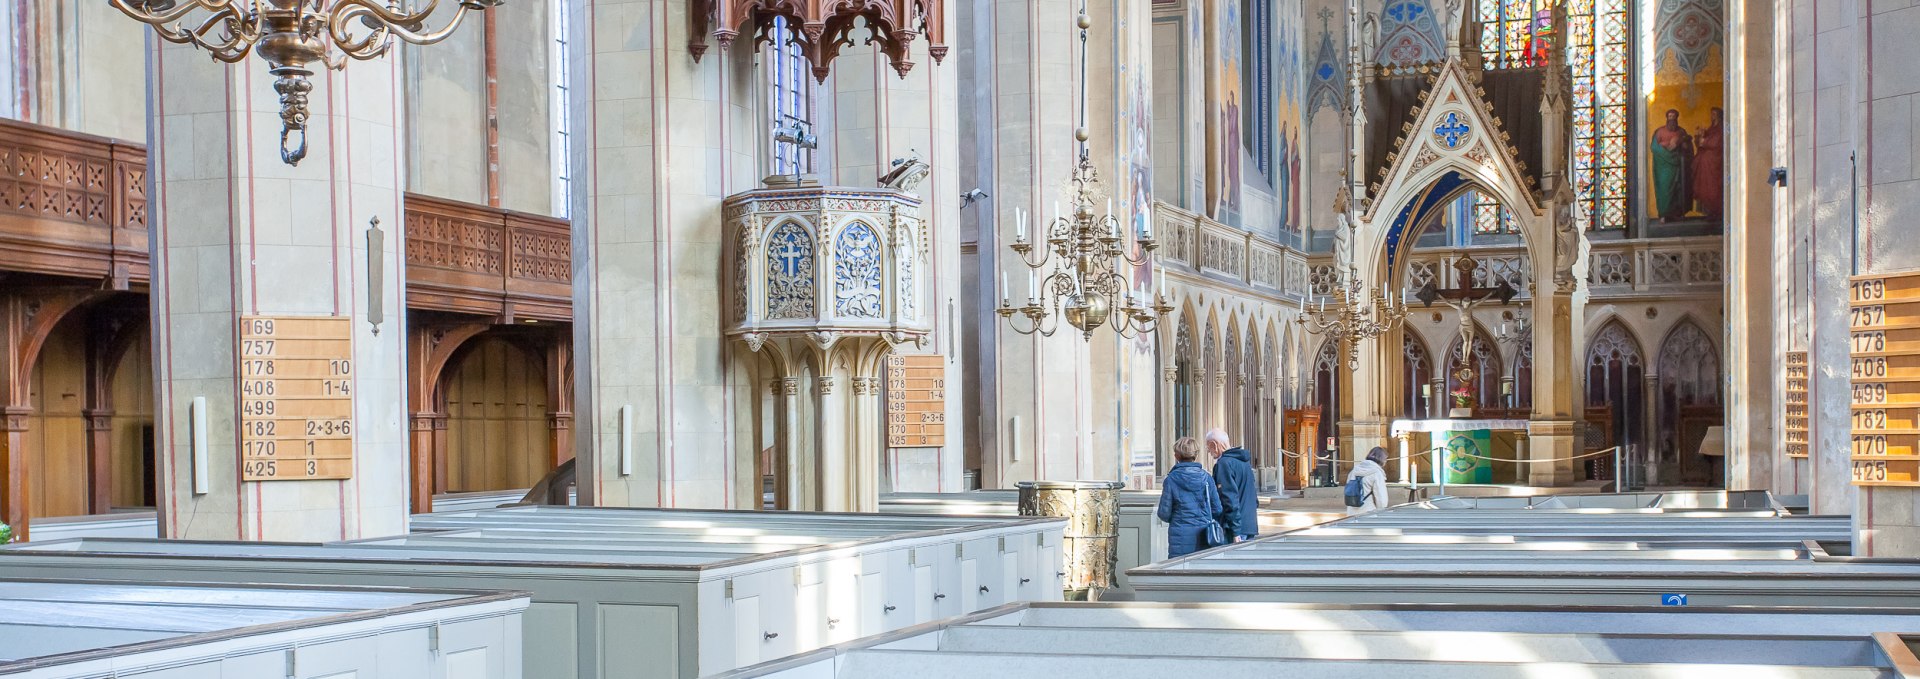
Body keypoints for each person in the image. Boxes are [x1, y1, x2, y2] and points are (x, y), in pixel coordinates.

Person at [1157, 437, 1222, 558]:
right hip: (1204, 535)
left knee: (1178, 572)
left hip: (1179, 536)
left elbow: (1164, 513)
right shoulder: (1207, 478)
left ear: (1176, 456)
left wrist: (1178, 519)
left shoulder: (1171, 480)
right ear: (1196, 455)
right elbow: (1217, 509)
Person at [1206, 428, 1258, 542]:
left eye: (1208, 448)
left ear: (1214, 445)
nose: (1209, 452)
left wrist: (1235, 531)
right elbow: (1253, 497)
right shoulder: (1243, 462)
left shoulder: (1224, 464)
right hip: (1249, 525)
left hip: (1235, 529)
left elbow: (1229, 499)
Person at [1649, 108, 1694, 222]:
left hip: (1678, 165)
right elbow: (1654, 147)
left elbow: (1687, 148)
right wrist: (1667, 152)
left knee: (1678, 189)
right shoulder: (1659, 132)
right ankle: (1664, 214)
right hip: (1663, 166)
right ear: (1667, 118)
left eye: (1674, 117)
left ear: (1677, 118)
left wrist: (1683, 142)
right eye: (1670, 117)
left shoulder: (1681, 132)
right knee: (1664, 189)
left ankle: (1676, 214)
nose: (1672, 119)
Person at [1691, 107, 1724, 221]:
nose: (1712, 116)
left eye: (1714, 114)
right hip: (1706, 165)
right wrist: (1701, 135)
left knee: (1713, 188)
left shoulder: (1720, 128)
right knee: (1705, 186)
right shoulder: (1712, 128)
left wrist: (1704, 141)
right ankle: (1710, 211)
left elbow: (1717, 142)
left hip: (1714, 164)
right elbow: (1702, 141)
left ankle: (1717, 212)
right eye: (1711, 114)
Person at [1346, 446, 1392, 515]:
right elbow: (1381, 497)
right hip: (1368, 511)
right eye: (1385, 459)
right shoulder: (1376, 472)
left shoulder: (1355, 470)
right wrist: (1382, 511)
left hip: (1351, 510)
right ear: (1382, 459)